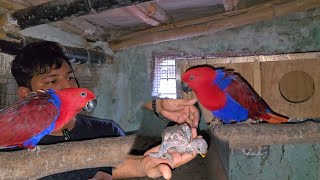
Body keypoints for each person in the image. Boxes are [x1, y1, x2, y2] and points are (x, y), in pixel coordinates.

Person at [11, 41, 200, 180]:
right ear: (26, 94)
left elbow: (116, 168)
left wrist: (141, 166)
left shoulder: (106, 130)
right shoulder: (12, 145)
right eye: (52, 81)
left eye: (70, 77)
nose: (70, 88)